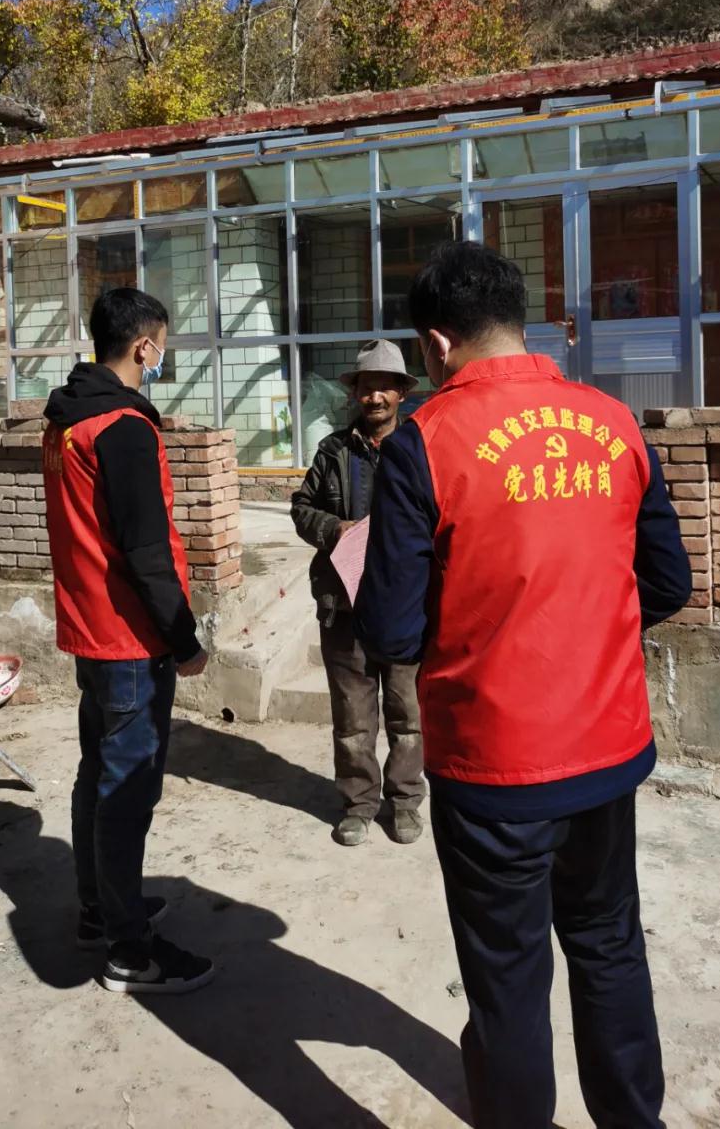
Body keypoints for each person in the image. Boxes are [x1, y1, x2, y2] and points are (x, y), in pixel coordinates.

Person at [354, 242, 692, 1129]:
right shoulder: (614, 422)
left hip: (492, 764)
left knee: (507, 979)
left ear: (436, 341)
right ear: (518, 320)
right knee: (609, 944)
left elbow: (390, 630)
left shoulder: (424, 442)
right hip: (607, 749)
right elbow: (667, 581)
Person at [43, 286, 215, 996]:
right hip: (130, 639)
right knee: (126, 791)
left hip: (91, 629)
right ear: (144, 346)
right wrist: (184, 638)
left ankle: (101, 907)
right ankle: (128, 950)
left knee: (99, 776)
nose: (163, 357)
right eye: (162, 346)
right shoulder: (121, 427)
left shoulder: (67, 420)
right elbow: (145, 551)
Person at [291, 339, 426, 849]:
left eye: (385, 388)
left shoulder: (419, 449)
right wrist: (334, 529)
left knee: (407, 714)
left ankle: (406, 800)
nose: (375, 398)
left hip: (406, 606)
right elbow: (302, 508)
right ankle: (359, 804)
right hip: (344, 605)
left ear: (401, 394)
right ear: (356, 393)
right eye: (367, 388)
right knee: (352, 717)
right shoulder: (333, 451)